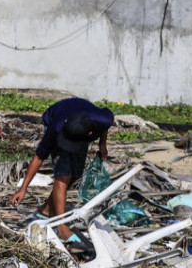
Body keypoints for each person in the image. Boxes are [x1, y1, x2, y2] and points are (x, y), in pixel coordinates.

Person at [10, 97, 114, 241]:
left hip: (80, 127)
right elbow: (39, 157)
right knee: (63, 176)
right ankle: (61, 228)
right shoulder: (57, 127)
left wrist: (103, 144)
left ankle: (46, 210)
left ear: (90, 134)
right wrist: (23, 189)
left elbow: (105, 126)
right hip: (59, 120)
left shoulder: (103, 119)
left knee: (75, 174)